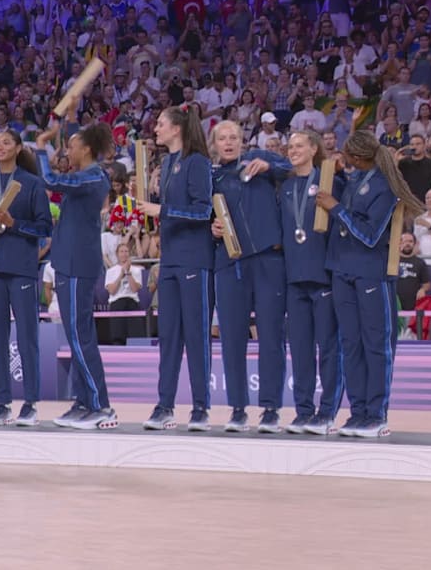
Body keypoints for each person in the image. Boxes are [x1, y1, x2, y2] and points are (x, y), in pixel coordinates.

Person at [316, 130, 425, 438]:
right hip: (342, 271)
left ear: (359, 157)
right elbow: (336, 196)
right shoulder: (353, 180)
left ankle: (377, 415)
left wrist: (335, 208)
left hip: (371, 273)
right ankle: (358, 412)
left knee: (375, 346)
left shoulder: (385, 188)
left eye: (346, 155)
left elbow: (369, 235)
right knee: (350, 344)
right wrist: (335, 178)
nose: (342, 158)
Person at [34, 106, 116, 430]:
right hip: (68, 263)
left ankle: (100, 406)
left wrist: (41, 147)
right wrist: (64, 126)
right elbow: (61, 174)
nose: (67, 150)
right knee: (76, 336)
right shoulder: (84, 176)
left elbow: (50, 179)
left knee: (81, 337)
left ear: (86, 149)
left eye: (72, 145)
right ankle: (83, 402)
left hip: (79, 265)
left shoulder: (94, 175)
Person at [135, 105, 214, 431]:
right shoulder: (166, 163)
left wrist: (160, 209)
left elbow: (202, 211)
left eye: (161, 124)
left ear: (177, 129)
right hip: (168, 261)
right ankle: (164, 405)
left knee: (196, 336)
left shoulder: (198, 162)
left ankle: (200, 409)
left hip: (195, 259)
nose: (156, 128)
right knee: (168, 337)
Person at [209, 120, 292, 433]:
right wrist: (210, 228)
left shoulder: (260, 160)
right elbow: (202, 215)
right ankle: (238, 409)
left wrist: (269, 165)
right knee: (231, 340)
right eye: (222, 138)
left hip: (269, 260)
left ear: (242, 141)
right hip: (230, 264)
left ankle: (270, 409)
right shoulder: (212, 177)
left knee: (271, 337)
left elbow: (293, 169)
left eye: (233, 137)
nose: (228, 142)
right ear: (214, 144)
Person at [0, 129, 51, 426]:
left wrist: (13, 223)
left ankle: (30, 403)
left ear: (18, 148)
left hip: (22, 268)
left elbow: (44, 227)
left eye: (6, 142)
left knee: (28, 336)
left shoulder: (30, 184)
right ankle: (2, 403)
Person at [278, 131, 343, 434]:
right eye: (290, 147)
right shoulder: (286, 186)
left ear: (314, 149)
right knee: (301, 349)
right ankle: (303, 411)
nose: (293, 150)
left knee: (328, 348)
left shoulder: (330, 183)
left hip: (324, 277)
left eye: (299, 146)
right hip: (294, 278)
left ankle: (327, 412)